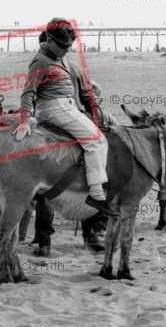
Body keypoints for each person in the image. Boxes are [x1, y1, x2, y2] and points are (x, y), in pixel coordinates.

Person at [14, 18, 113, 215]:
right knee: (96, 140)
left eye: (69, 46)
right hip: (54, 107)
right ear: (49, 40)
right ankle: (96, 194)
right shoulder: (40, 61)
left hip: (67, 105)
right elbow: (28, 92)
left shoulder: (60, 58)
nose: (67, 50)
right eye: (63, 46)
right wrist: (24, 121)